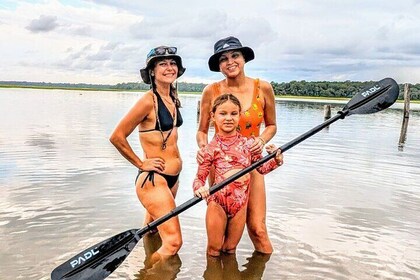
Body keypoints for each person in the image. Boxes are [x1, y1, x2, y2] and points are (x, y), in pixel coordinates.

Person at [196, 36, 278, 253]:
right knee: (219, 234)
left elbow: (271, 126)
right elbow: (202, 131)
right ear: (219, 65)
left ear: (244, 59)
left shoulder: (264, 87)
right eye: (223, 58)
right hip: (220, 165)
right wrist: (204, 149)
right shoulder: (211, 91)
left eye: (235, 55)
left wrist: (261, 141)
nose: (230, 61)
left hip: (251, 163)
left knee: (258, 228)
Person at [110, 46, 185, 261]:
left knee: (152, 232)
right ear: (152, 71)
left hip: (172, 179)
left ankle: (146, 265)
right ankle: (147, 275)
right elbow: (117, 136)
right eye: (162, 64)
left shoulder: (172, 96)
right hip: (154, 180)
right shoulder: (147, 100)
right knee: (173, 243)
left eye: (173, 63)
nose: (169, 67)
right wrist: (140, 164)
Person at [193, 94, 283, 257]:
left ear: (240, 115)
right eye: (223, 113)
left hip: (240, 204)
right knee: (214, 251)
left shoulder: (249, 144)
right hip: (218, 203)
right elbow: (199, 179)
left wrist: (276, 159)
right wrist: (200, 189)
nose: (228, 118)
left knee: (230, 249)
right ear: (213, 116)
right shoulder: (209, 149)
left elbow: (261, 169)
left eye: (234, 114)